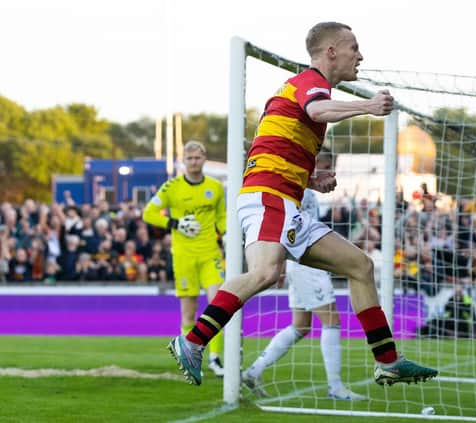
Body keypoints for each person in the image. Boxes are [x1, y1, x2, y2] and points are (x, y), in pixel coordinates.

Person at [168, 21, 438, 387]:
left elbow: (272, 147)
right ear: (331, 52)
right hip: (269, 199)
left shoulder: (299, 89)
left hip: (283, 201)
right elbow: (316, 112)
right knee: (264, 273)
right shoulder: (310, 83)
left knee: (359, 266)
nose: (360, 55)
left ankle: (387, 360)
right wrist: (369, 105)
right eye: (353, 47)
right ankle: (193, 340)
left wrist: (310, 179)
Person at [241, 151, 367, 401]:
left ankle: (254, 370)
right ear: (315, 162)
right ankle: (336, 387)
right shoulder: (300, 187)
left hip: (297, 260)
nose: (330, 171)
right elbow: (288, 226)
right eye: (327, 166)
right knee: (331, 321)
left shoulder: (305, 188)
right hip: (306, 260)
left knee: (301, 325)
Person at [144, 140, 227, 377]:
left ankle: (215, 358)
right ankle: (190, 357)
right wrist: (175, 223)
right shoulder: (172, 188)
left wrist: (224, 232)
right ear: (183, 161)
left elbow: (222, 216)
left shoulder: (215, 186)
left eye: (198, 158)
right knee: (188, 313)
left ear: (204, 159)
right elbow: (148, 213)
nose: (194, 162)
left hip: (210, 254)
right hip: (183, 257)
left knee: (218, 306)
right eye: (189, 158)